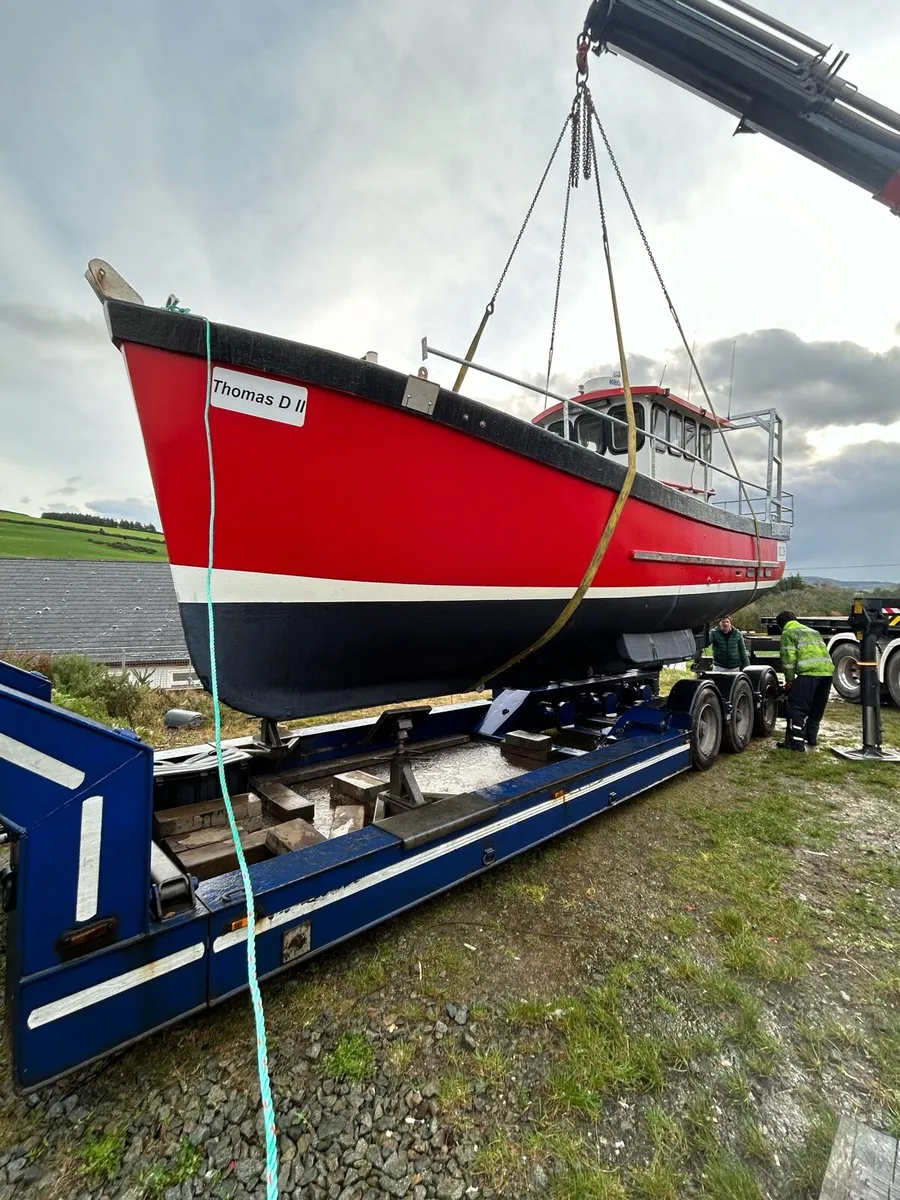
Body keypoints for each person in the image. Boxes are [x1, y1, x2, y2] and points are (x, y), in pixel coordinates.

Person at [773, 610, 835, 750]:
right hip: (826, 674)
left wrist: (789, 681)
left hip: (808, 675)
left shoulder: (788, 633)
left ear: (781, 624)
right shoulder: (813, 632)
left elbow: (788, 659)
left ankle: (796, 743)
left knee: (797, 708)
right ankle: (811, 738)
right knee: (816, 708)